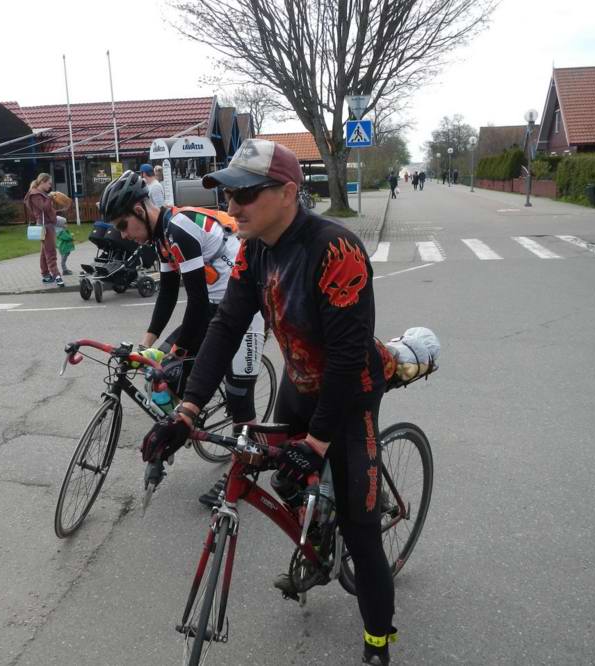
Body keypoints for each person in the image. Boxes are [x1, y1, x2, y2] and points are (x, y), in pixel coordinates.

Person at [140, 138, 397, 664]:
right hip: (300, 385)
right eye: (229, 197)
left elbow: (347, 361)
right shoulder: (254, 249)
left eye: (245, 196)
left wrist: (319, 443)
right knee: (281, 476)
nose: (231, 209)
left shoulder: (336, 248)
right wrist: (185, 412)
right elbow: (227, 325)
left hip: (350, 396)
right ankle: (317, 535)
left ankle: (377, 640)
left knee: (362, 530)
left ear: (287, 192)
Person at [98, 170, 266, 506]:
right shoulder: (160, 239)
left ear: (140, 210)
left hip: (244, 307)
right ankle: (183, 423)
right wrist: (148, 345)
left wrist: (178, 353)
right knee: (159, 370)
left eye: (122, 225)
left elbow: (198, 305)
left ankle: (245, 472)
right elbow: (168, 294)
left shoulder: (178, 230)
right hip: (214, 305)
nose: (123, 235)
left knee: (239, 399)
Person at [23, 173, 64, 287]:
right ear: (42, 182)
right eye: (49, 183)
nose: (50, 186)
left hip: (47, 224)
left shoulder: (39, 193)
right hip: (45, 226)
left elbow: (47, 209)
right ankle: (56, 275)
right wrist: (50, 197)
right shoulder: (35, 194)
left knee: (44, 251)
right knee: (50, 251)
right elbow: (44, 208)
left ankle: (46, 275)